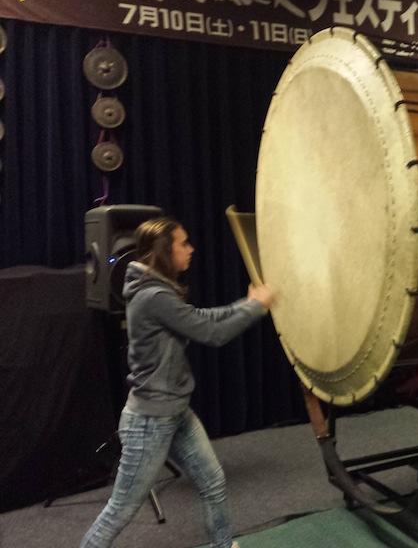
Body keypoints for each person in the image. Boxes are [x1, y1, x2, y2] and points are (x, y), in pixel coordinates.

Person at [80, 217, 275, 548]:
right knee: (121, 510)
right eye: (183, 243)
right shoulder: (152, 296)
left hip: (174, 411)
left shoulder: (158, 290)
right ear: (163, 251)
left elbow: (200, 319)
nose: (191, 249)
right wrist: (256, 308)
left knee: (213, 482)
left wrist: (248, 304)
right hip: (149, 421)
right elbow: (212, 334)